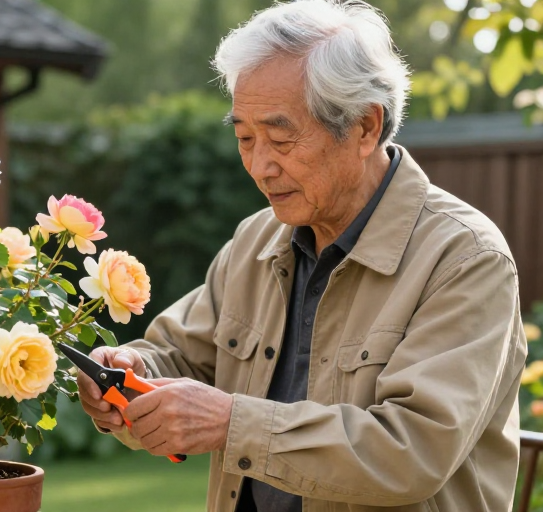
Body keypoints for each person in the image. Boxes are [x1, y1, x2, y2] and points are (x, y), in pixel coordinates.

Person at [77, 1, 527, 511]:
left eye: (281, 137)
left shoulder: (465, 258)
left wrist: (230, 422)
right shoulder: (256, 240)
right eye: (245, 138)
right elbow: (180, 357)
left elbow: (411, 452)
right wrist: (125, 373)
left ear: (364, 127)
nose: (260, 166)